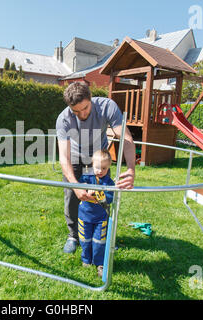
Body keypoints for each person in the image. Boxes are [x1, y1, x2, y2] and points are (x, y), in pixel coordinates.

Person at [56, 81, 136, 254]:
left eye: (84, 108)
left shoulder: (107, 106)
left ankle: (102, 233)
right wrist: (76, 186)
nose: (81, 114)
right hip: (76, 158)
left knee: (103, 195)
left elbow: (126, 138)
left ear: (91, 98)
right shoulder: (63, 119)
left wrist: (131, 168)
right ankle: (73, 235)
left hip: (99, 157)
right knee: (72, 197)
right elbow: (64, 156)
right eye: (75, 111)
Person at [78, 150, 114, 277]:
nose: (100, 171)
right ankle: (86, 259)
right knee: (84, 239)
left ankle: (99, 263)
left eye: (104, 168)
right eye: (97, 167)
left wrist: (98, 193)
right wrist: (85, 188)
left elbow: (108, 199)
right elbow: (80, 186)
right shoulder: (86, 176)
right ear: (92, 164)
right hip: (84, 215)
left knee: (99, 241)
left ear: (109, 167)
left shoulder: (109, 182)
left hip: (100, 218)